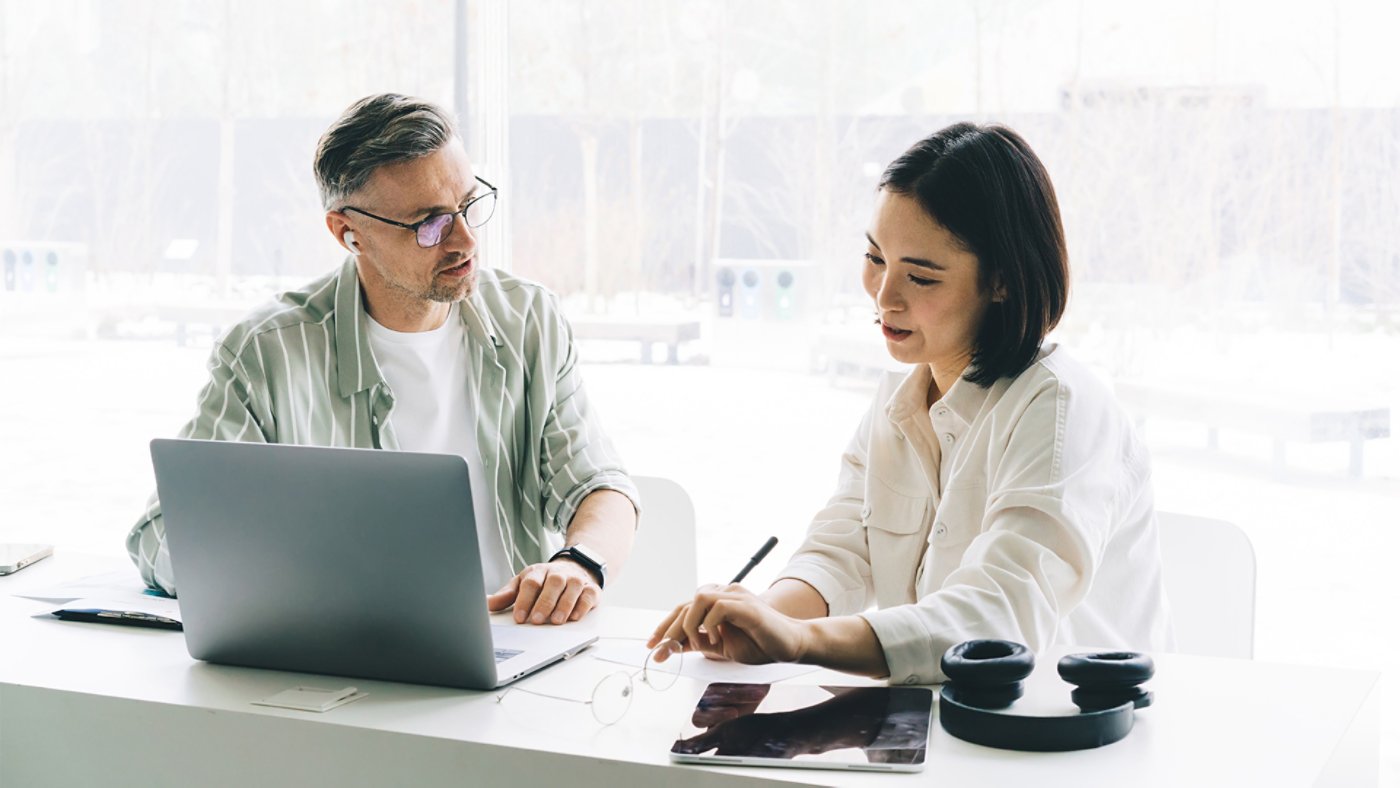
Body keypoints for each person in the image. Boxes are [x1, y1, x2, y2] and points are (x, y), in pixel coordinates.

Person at [651, 123, 1172, 683]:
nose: (883, 296)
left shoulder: (1062, 408)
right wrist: (757, 617)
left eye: (920, 277)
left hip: (1074, 738)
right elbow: (843, 548)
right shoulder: (899, 399)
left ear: (1002, 282)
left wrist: (799, 641)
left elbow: (995, 623)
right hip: (946, 720)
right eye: (875, 258)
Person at [127, 93, 638, 626]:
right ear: (348, 232)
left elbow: (600, 486)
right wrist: (297, 580)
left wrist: (580, 563)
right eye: (430, 224)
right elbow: (161, 534)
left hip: (511, 644)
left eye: (468, 205)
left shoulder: (528, 319)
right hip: (344, 647)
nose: (465, 240)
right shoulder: (267, 353)